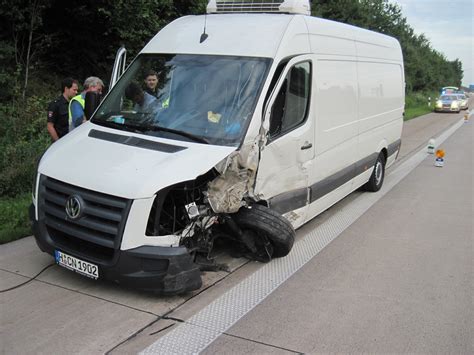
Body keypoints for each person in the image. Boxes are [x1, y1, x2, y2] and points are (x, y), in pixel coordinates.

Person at [47, 78, 79, 142]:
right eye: (74, 90)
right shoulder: (55, 105)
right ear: (66, 89)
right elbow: (50, 127)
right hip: (61, 142)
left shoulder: (75, 104)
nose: (76, 92)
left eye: (77, 90)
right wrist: (58, 142)